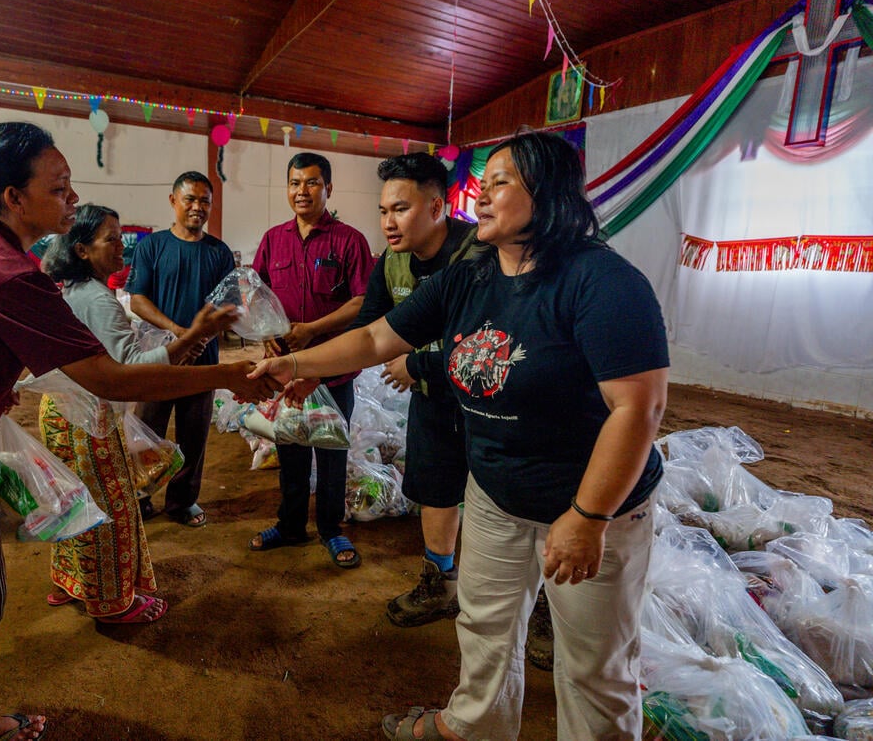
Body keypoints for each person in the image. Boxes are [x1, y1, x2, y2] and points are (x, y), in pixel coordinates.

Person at [0, 122, 277, 741]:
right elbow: (111, 378)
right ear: (14, 198)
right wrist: (229, 372)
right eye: (61, 187)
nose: (73, 200)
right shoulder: (5, 271)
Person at [249, 130, 668, 740]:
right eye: (485, 182)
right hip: (496, 493)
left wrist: (589, 515)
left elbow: (638, 409)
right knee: (485, 628)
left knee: (594, 664)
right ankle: (473, 727)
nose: (484, 196)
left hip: (584, 503)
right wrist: (293, 366)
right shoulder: (470, 277)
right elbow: (373, 338)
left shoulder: (603, 282)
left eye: (501, 183)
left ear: (547, 194)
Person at [40, 204, 236, 622]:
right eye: (110, 239)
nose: (121, 248)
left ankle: (70, 582)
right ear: (81, 250)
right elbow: (130, 370)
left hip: (61, 410)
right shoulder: (98, 299)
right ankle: (112, 603)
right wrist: (194, 336)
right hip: (85, 416)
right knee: (113, 506)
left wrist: (189, 342)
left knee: (74, 501)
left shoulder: (77, 290)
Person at [349, 152, 485, 623]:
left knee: (507, 502)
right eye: (384, 210)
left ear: (436, 207)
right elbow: (368, 330)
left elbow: (481, 340)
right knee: (436, 490)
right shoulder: (392, 262)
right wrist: (312, 373)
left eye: (400, 209)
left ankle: (544, 605)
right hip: (433, 399)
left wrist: (417, 362)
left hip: (488, 404)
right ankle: (440, 583)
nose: (388, 221)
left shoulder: (480, 253)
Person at [248, 152, 374, 569]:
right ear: (287, 189)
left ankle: (332, 531)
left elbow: (362, 301)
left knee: (332, 455)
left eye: (312, 183)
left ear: (329, 189)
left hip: (333, 372)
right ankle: (289, 526)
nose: (302, 191)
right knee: (291, 452)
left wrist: (313, 329)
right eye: (295, 183)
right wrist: (267, 333)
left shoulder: (350, 241)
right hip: (286, 371)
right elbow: (258, 294)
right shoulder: (273, 239)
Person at [124, 171, 236, 528]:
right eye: (190, 199)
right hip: (158, 359)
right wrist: (177, 331)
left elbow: (229, 305)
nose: (197, 207)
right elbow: (138, 300)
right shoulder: (152, 246)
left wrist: (202, 337)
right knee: (147, 431)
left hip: (203, 361)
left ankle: (182, 501)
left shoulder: (218, 253)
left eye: (205, 201)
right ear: (173, 201)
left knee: (194, 433)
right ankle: (140, 497)